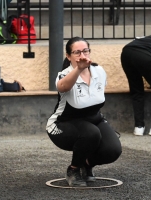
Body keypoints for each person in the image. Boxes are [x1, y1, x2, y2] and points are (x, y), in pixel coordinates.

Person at [46, 37, 122, 187]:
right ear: (68, 56)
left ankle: (86, 163)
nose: (82, 55)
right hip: (62, 125)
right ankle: (73, 170)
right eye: (77, 52)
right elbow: (63, 87)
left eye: (85, 51)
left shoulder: (99, 71)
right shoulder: (64, 74)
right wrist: (79, 69)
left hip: (94, 120)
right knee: (91, 133)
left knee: (113, 150)